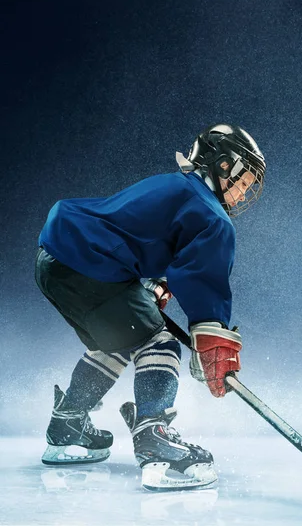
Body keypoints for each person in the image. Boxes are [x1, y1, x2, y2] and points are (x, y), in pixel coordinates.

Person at [35, 124, 266, 490]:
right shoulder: (211, 216)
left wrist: (150, 285)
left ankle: (67, 425)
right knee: (159, 343)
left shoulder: (175, 185)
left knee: (118, 339)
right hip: (91, 263)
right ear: (222, 165)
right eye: (242, 179)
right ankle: (154, 441)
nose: (241, 193)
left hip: (55, 257)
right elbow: (202, 280)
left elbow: (132, 231)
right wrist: (213, 336)